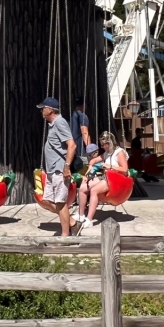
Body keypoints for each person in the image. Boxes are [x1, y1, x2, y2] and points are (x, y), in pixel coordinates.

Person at [35, 97, 77, 237]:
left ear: (50, 110)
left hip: (59, 169)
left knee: (60, 202)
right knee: (47, 201)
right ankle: (71, 221)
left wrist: (66, 166)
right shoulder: (53, 124)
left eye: (43, 108)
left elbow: (72, 145)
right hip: (52, 170)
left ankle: (65, 236)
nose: (41, 111)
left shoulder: (60, 122)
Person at [74, 132, 129, 228]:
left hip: (116, 179)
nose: (103, 147)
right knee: (83, 187)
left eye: (104, 144)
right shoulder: (107, 153)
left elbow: (124, 169)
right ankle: (81, 214)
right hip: (107, 176)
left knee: (94, 190)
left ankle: (89, 219)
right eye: (101, 145)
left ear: (110, 142)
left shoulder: (119, 152)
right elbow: (93, 160)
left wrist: (109, 166)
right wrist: (90, 167)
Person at [70, 96, 91, 165]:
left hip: (71, 151)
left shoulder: (71, 116)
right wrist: (90, 149)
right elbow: (84, 132)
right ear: (84, 105)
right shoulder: (82, 116)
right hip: (81, 151)